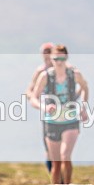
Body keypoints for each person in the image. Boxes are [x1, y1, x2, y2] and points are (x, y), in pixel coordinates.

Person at [30, 45, 89, 184]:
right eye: (56, 58)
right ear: (51, 58)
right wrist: (44, 107)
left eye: (62, 58)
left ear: (66, 57)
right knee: (55, 162)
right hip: (51, 122)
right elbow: (33, 97)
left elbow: (85, 87)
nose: (59, 61)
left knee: (65, 156)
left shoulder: (74, 74)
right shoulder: (45, 76)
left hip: (70, 120)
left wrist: (83, 107)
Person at [26, 42, 54, 173]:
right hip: (47, 111)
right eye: (45, 51)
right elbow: (29, 91)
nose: (47, 54)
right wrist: (36, 100)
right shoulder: (40, 71)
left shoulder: (64, 68)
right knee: (49, 145)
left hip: (64, 109)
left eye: (50, 51)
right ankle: (55, 178)